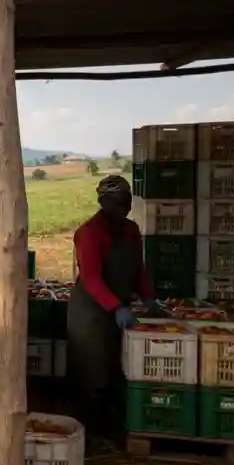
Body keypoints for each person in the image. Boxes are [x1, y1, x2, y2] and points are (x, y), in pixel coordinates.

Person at [66, 175, 159, 441]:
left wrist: (149, 298)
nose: (124, 208)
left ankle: (113, 426)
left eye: (127, 202)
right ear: (103, 202)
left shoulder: (131, 230)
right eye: (118, 203)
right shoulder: (89, 233)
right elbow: (92, 278)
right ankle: (88, 432)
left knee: (117, 367)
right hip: (90, 311)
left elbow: (138, 269)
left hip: (118, 306)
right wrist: (116, 306)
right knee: (92, 370)